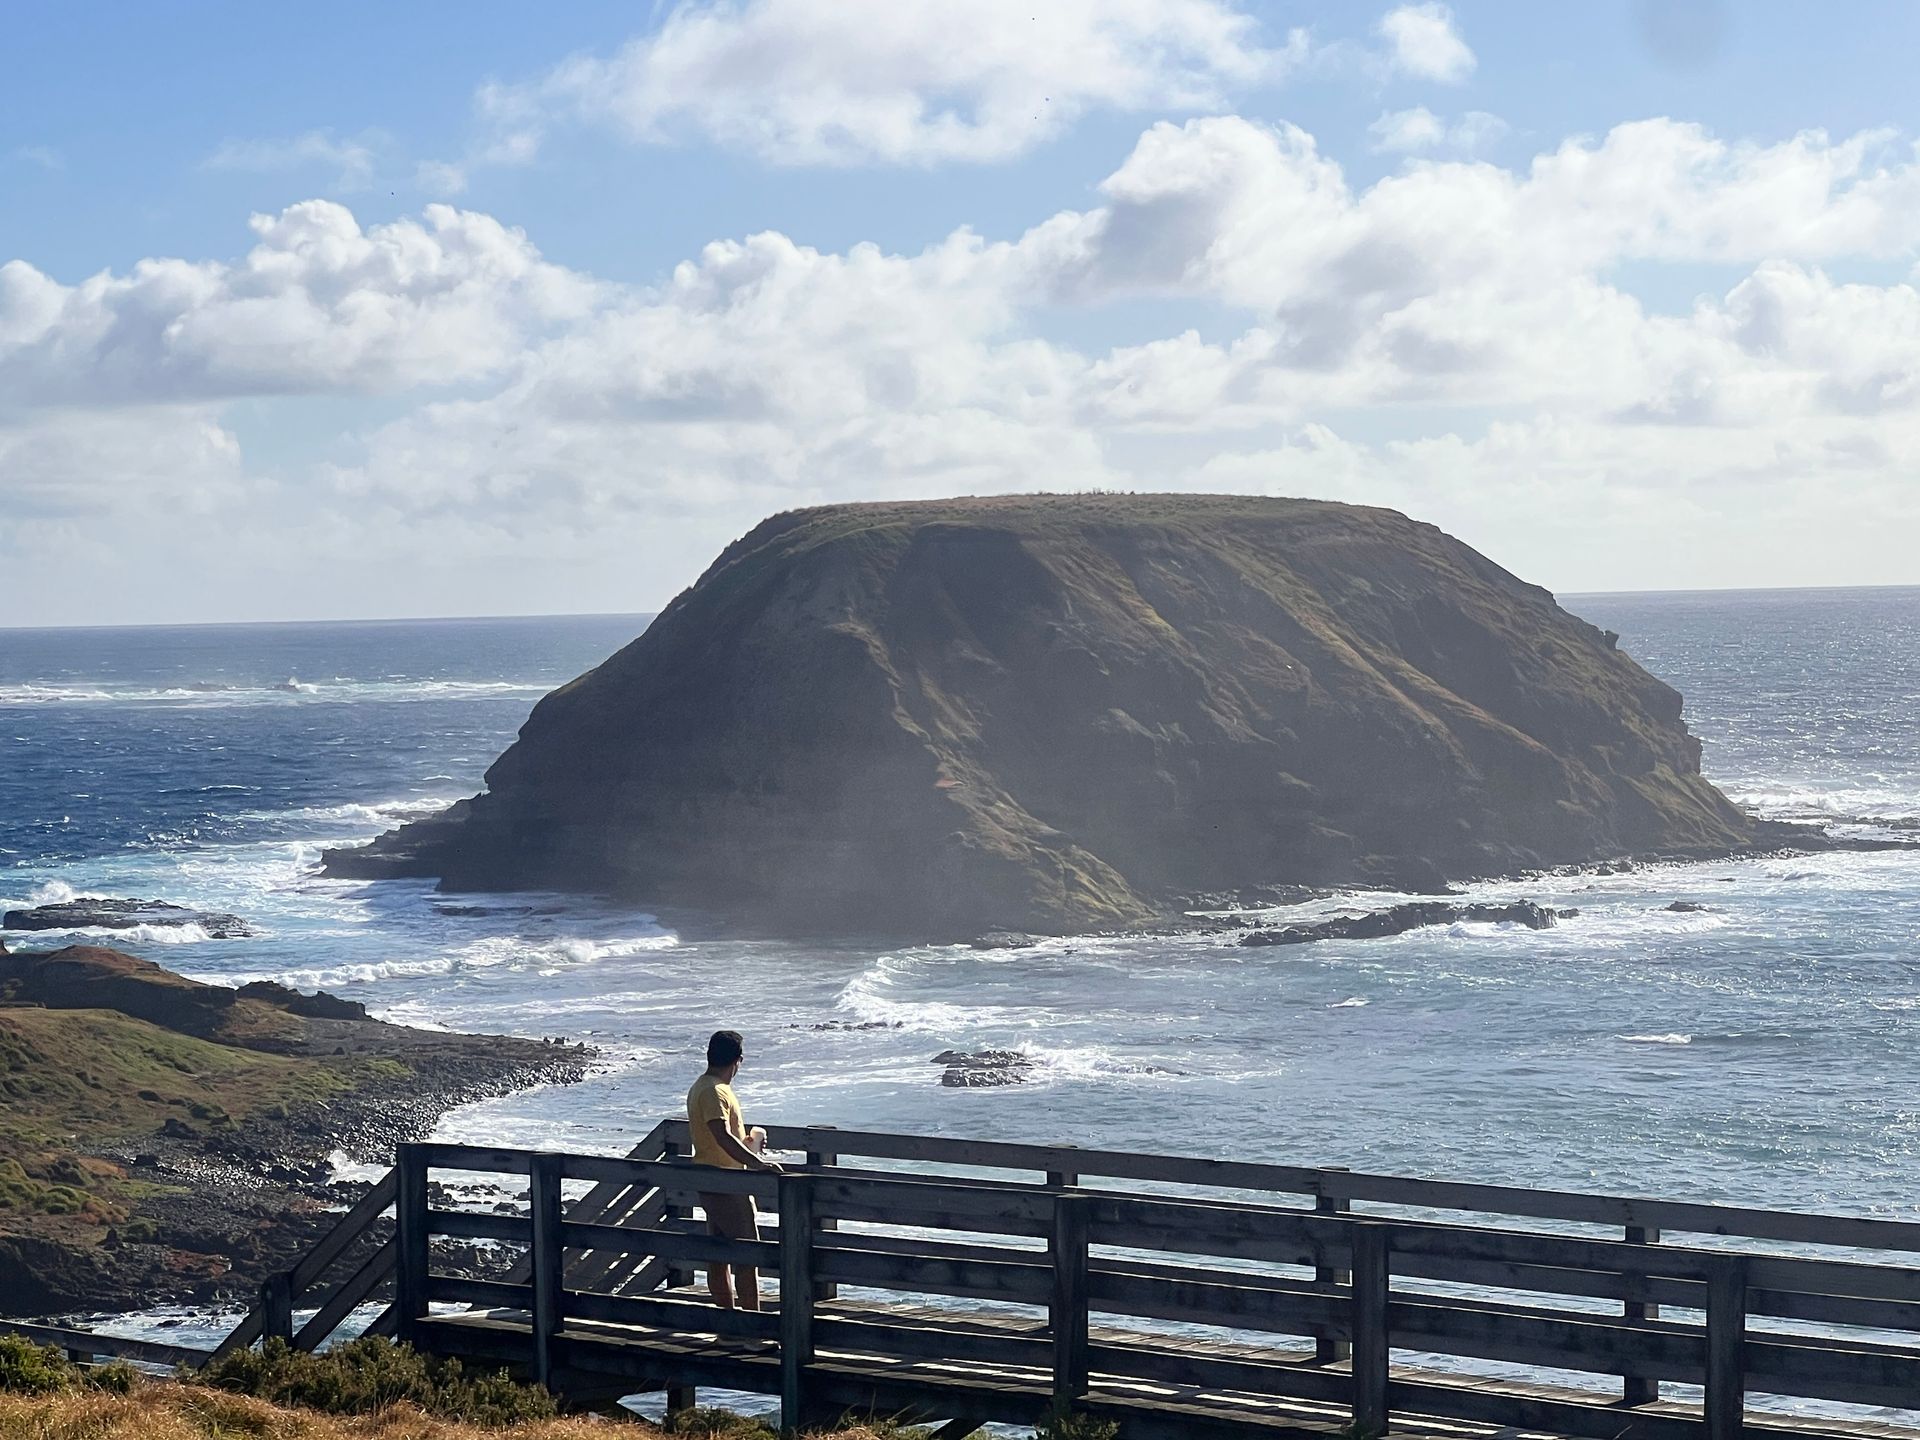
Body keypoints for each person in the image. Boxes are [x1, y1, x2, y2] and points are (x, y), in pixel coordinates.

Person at [685, 1029, 781, 1310]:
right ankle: (751, 1327)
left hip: (712, 1177)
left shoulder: (701, 1086)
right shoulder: (715, 1091)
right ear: (738, 1061)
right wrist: (757, 1164)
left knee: (718, 1254)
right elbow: (721, 1135)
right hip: (726, 1183)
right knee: (747, 1256)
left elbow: (721, 1137)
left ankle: (728, 1325)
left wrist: (750, 1145)